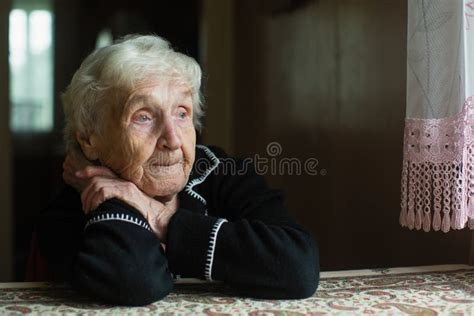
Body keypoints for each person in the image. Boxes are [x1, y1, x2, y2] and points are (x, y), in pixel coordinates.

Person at [36, 34, 320, 306]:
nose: (172, 139)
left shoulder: (218, 170)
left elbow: (298, 266)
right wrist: (113, 197)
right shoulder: (72, 209)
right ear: (89, 139)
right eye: (143, 117)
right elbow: (136, 281)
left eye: (182, 113)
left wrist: (159, 217)